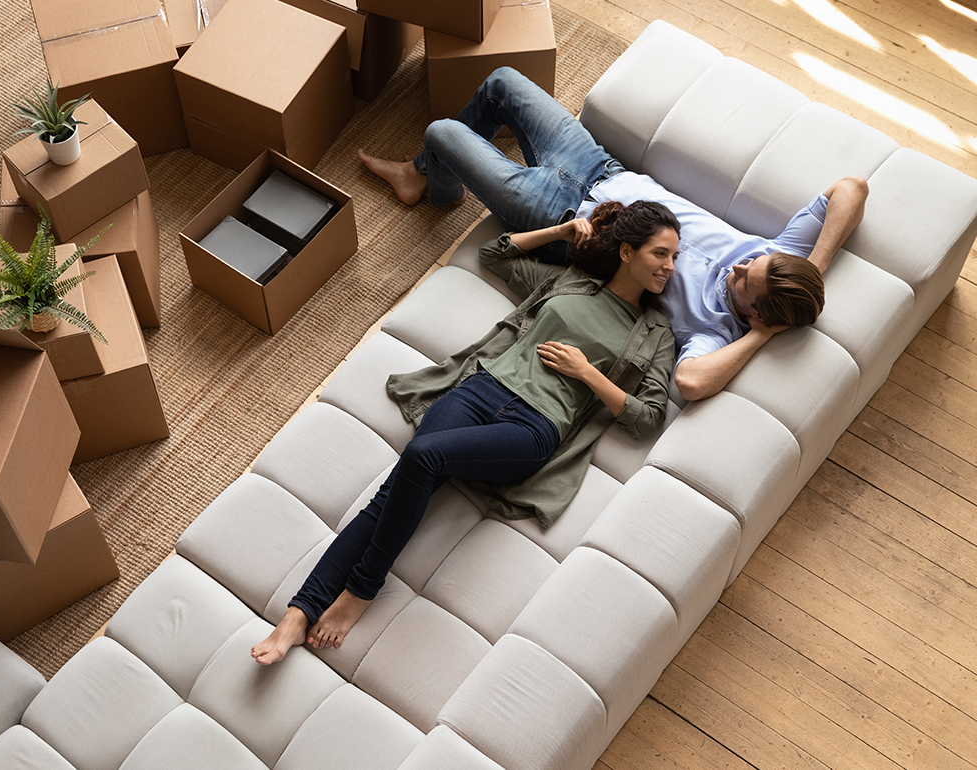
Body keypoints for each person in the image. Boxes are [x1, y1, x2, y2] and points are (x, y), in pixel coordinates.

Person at [251, 199, 681, 664]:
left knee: (420, 458)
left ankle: (360, 590)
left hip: (534, 426)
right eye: (661, 254)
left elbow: (648, 416)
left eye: (674, 257)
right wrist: (559, 234)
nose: (669, 267)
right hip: (481, 389)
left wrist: (588, 373)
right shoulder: (573, 282)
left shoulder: (656, 333)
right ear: (625, 251)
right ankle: (299, 612)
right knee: (392, 492)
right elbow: (496, 254)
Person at [358, 67, 869, 402]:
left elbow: (689, 385)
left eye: (744, 282)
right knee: (502, 83)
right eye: (749, 263)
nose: (738, 264)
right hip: (604, 169)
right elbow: (853, 188)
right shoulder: (779, 260)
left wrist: (759, 336)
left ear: (755, 314)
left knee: (443, 132)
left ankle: (427, 175)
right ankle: (430, 181)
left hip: (561, 219)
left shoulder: (713, 333)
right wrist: (813, 267)